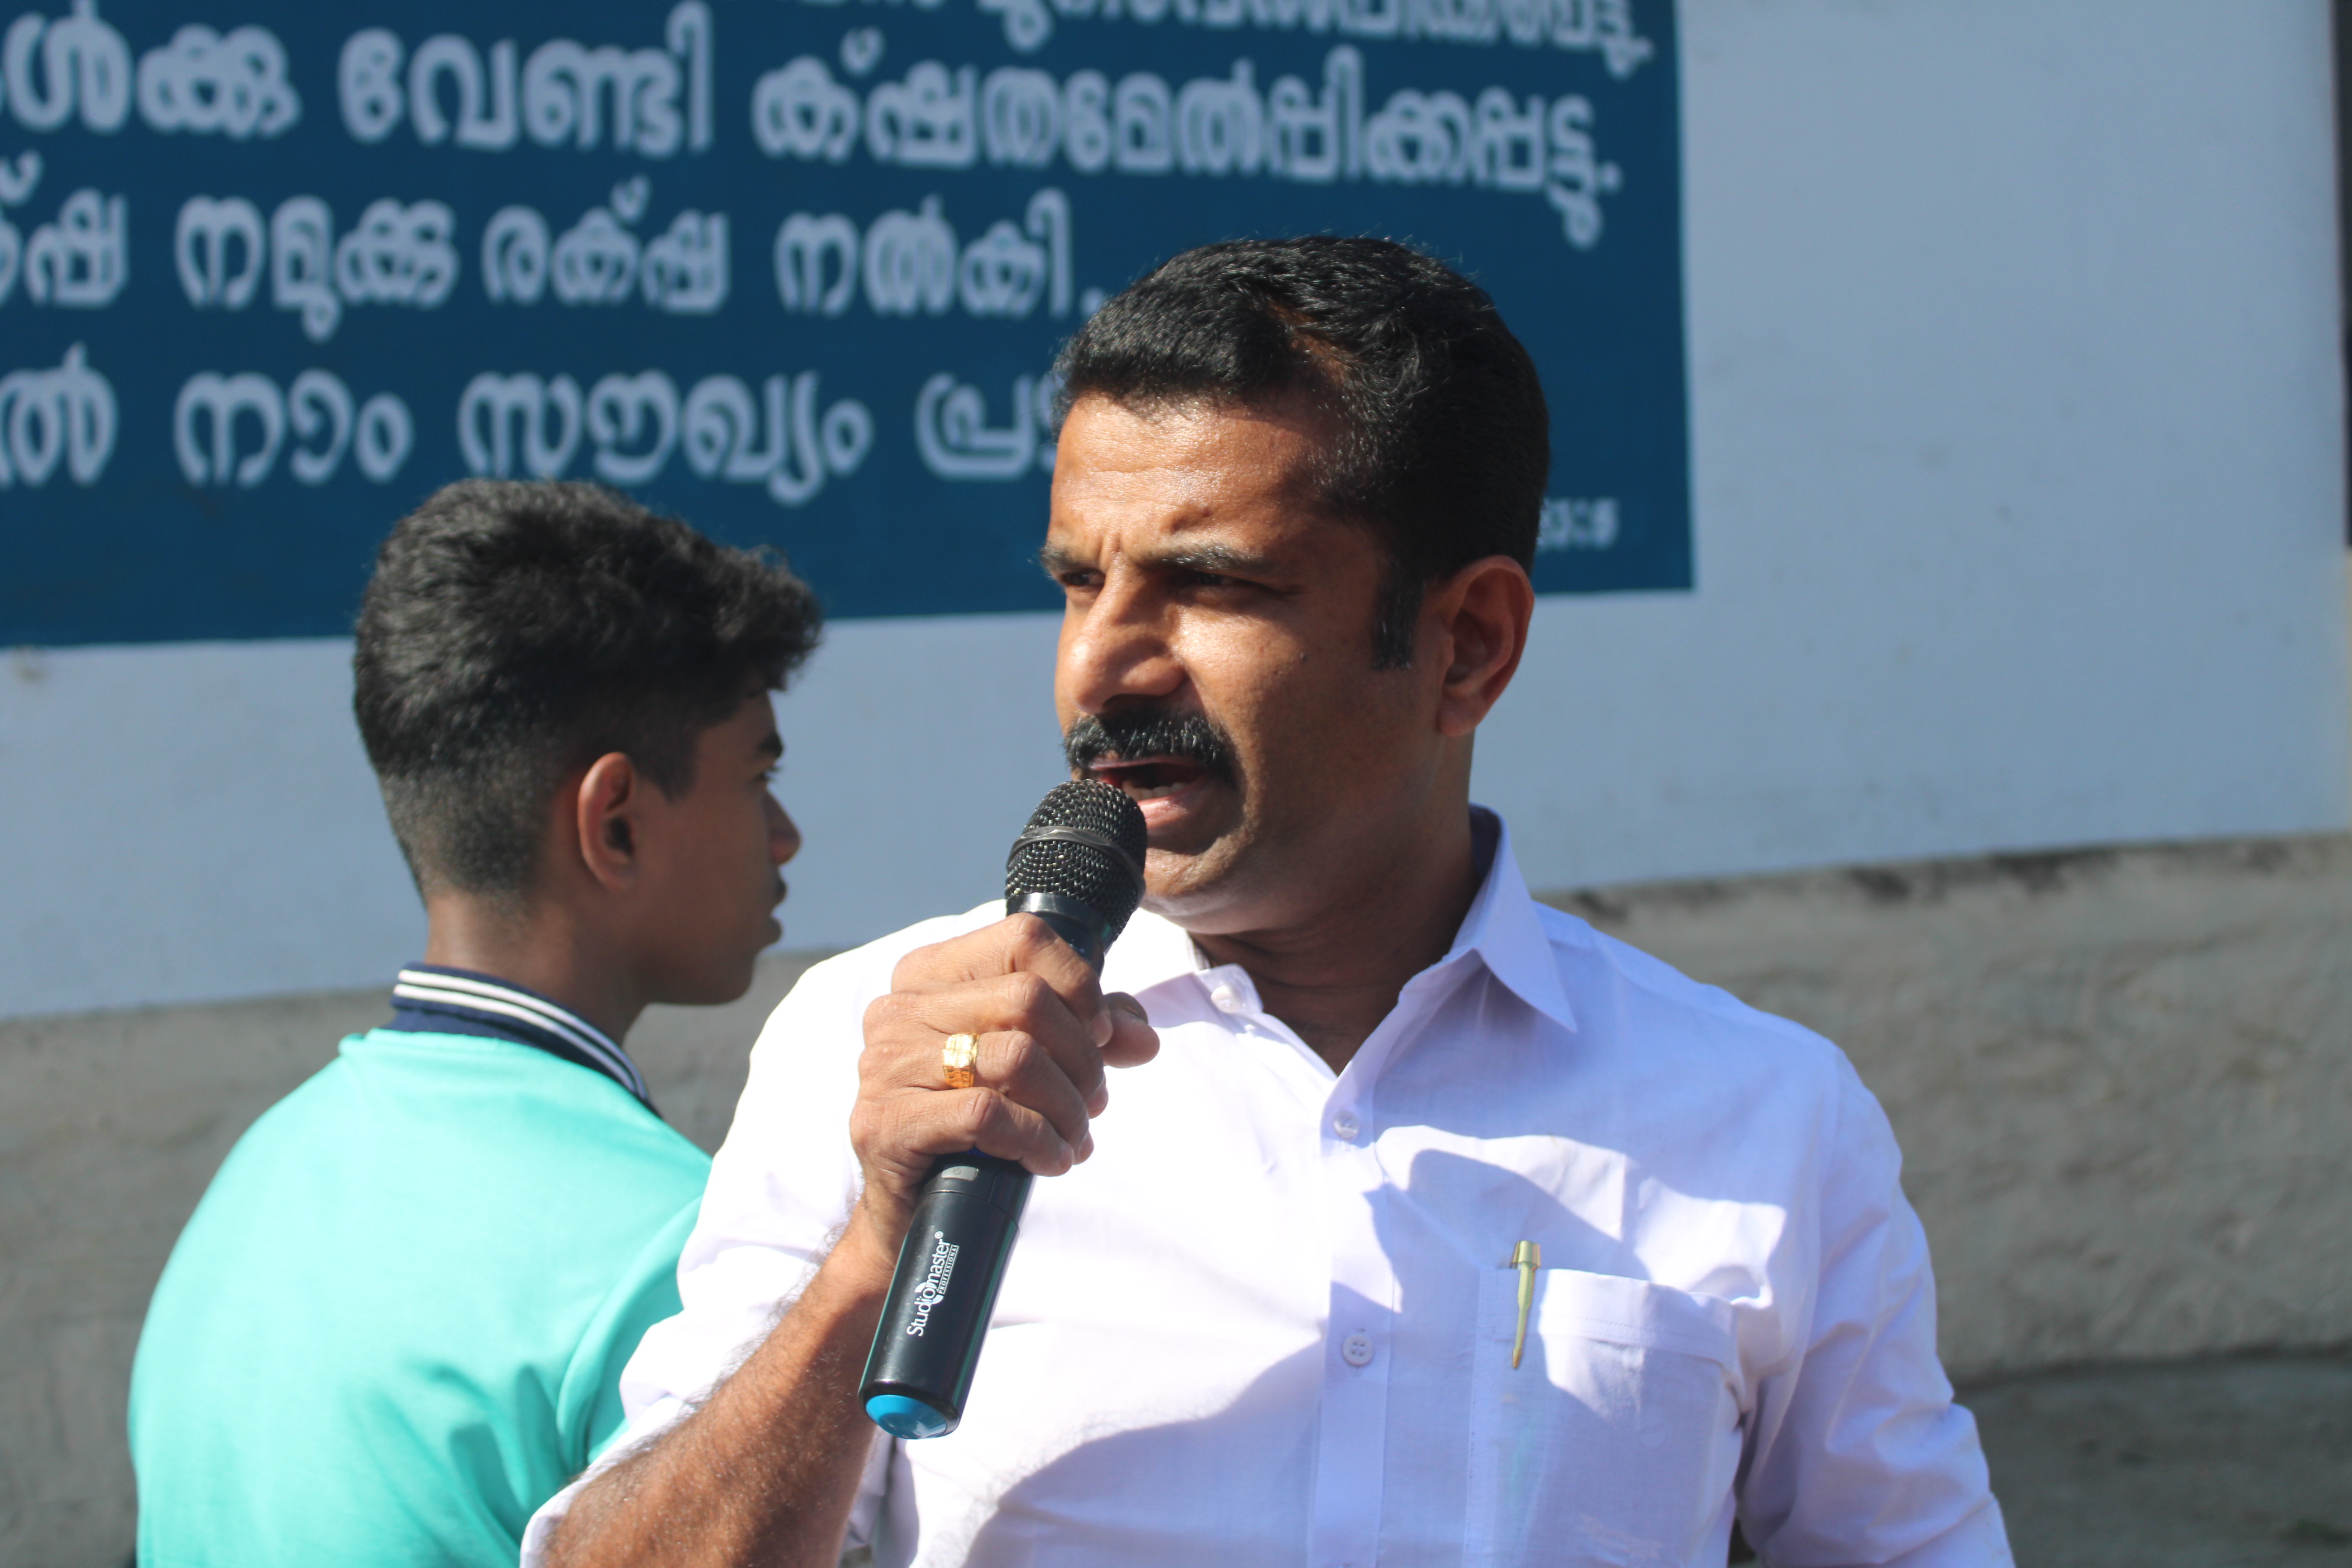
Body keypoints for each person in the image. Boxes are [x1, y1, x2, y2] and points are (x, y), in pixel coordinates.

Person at [531, 238, 2011, 1567]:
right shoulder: (879, 1049)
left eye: (1212, 585)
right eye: (1079, 582)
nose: (1102, 666)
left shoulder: (1766, 1122)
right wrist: (875, 1253)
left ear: (1468, 646)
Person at [129, 480, 822, 1567]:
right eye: (758, 775)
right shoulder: (672, 1251)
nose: (784, 835)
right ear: (616, 824)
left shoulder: (260, 1174)